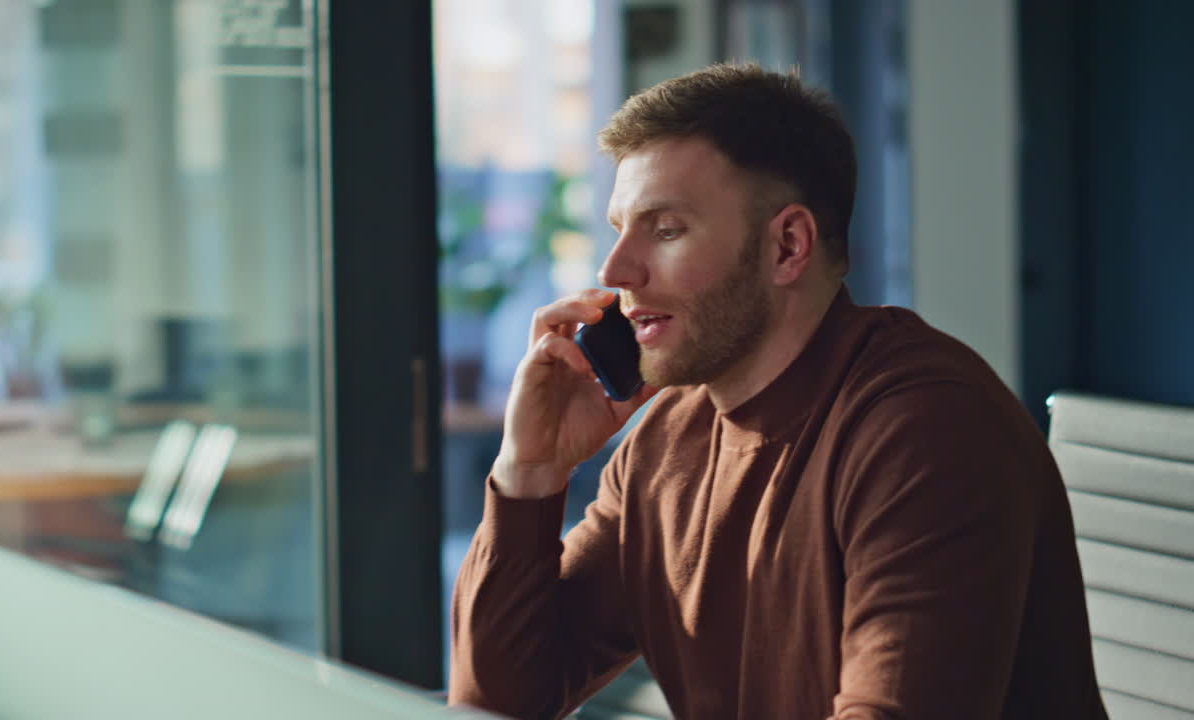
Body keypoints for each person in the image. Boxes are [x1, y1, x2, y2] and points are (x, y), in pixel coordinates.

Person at [448, 63, 1106, 720]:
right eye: (620, 228)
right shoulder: (668, 436)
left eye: (666, 228)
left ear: (788, 245)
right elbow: (505, 702)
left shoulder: (928, 430)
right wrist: (529, 469)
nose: (616, 269)